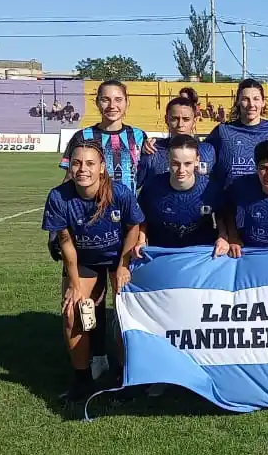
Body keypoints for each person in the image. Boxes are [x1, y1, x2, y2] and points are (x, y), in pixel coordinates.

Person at [42, 140, 144, 401]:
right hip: (85, 260)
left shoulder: (119, 193)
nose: (82, 169)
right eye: (77, 163)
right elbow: (65, 241)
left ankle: (127, 376)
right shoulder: (58, 197)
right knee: (72, 313)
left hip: (117, 256)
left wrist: (123, 265)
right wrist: (75, 283)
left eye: (89, 163)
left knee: (125, 314)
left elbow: (134, 226)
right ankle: (82, 379)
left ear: (102, 168)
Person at [59, 80, 148, 191]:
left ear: (127, 102)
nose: (112, 105)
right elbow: (70, 177)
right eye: (105, 100)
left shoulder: (139, 136)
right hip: (92, 207)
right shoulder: (81, 137)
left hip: (127, 207)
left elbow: (142, 177)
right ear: (97, 102)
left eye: (118, 100)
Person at [136, 134, 219, 249]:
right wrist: (141, 240)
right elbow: (141, 217)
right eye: (175, 163)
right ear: (168, 160)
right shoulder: (152, 186)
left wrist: (223, 237)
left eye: (188, 163)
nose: (181, 170)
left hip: (200, 256)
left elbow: (223, 215)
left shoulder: (209, 187)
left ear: (197, 161)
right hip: (163, 255)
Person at [136, 96, 217, 189]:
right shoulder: (152, 150)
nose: (180, 125)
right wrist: (138, 152)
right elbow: (134, 185)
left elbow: (215, 186)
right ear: (166, 119)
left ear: (194, 121)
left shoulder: (208, 150)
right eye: (175, 119)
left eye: (186, 119)